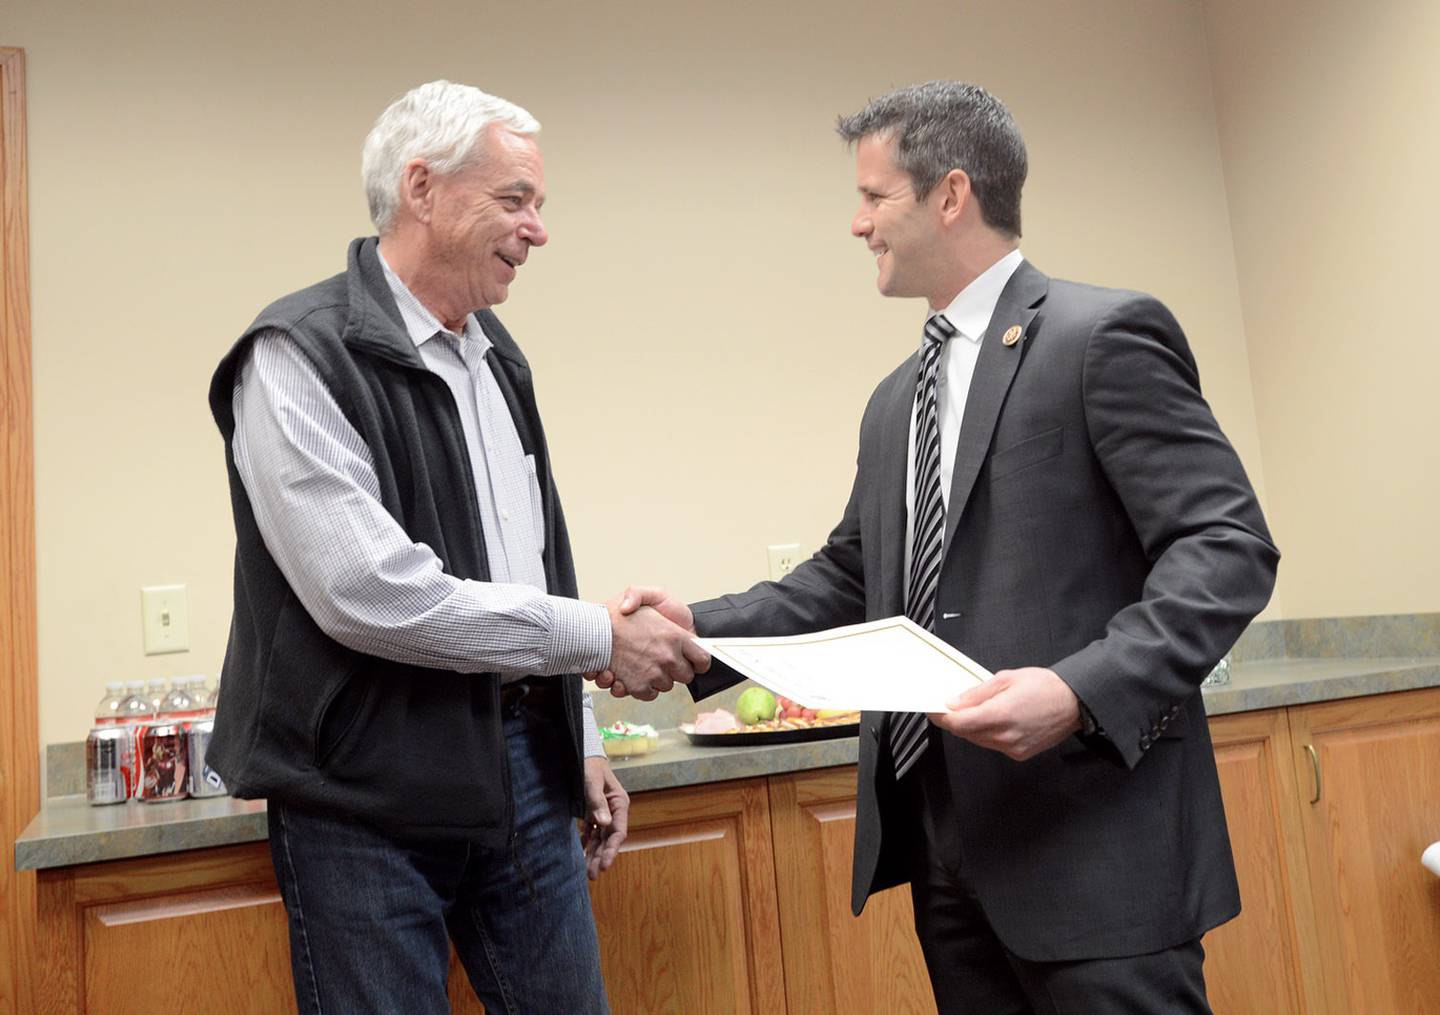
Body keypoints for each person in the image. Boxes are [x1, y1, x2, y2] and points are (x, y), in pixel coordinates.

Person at [605, 81, 1278, 1012]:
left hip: (1094, 846)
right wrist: (696, 629)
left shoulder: (1101, 337)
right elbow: (851, 574)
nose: (857, 223)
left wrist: (1080, 689)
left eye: (874, 197)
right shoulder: (897, 399)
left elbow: (1228, 544)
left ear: (950, 194)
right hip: (945, 849)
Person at [206, 80, 707, 1015]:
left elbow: (530, 559)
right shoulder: (292, 357)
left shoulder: (495, 353)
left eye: (539, 205)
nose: (538, 228)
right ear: (423, 189)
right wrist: (600, 637)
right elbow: (371, 592)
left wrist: (578, 734)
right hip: (362, 801)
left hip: (520, 770)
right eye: (515, 200)